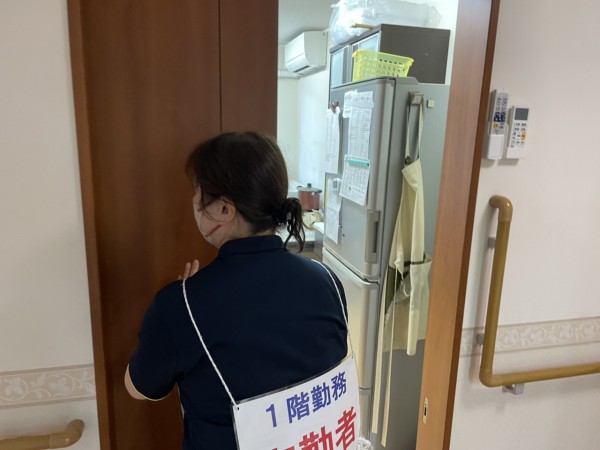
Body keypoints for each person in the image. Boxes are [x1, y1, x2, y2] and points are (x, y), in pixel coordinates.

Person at [124, 131, 348, 449]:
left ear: (225, 209)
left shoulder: (179, 306)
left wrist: (184, 305)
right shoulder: (327, 280)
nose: (193, 201)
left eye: (197, 191)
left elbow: (140, 388)